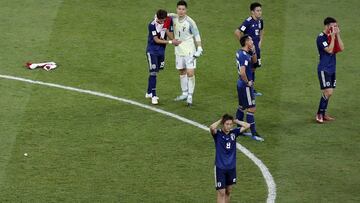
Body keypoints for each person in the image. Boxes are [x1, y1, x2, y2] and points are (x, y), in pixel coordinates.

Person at [210, 114, 250, 203]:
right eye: (226, 124)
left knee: (228, 191)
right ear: (223, 124)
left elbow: (247, 125)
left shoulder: (234, 133)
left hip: (231, 167)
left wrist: (236, 121)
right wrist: (220, 120)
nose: (228, 126)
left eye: (230, 124)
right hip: (220, 167)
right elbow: (212, 127)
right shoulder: (217, 134)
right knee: (221, 192)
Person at [171, 0, 203, 106]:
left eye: (183, 9)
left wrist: (199, 48)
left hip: (189, 50)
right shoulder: (172, 17)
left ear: (186, 10)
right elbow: (159, 16)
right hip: (178, 50)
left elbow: (197, 35)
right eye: (179, 9)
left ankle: (190, 96)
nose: (181, 11)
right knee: (181, 71)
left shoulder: (190, 22)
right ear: (177, 9)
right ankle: (184, 93)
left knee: (190, 72)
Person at [145, 9, 181, 105]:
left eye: (164, 20)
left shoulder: (166, 20)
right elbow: (156, 40)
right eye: (161, 20)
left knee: (156, 71)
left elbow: (167, 31)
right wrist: (170, 42)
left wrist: (174, 40)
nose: (163, 22)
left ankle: (148, 92)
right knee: (153, 72)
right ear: (158, 18)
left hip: (161, 51)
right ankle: (154, 96)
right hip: (152, 51)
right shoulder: (152, 25)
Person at [235, 34, 264, 141]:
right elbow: (243, 72)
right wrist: (248, 82)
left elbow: (255, 62)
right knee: (251, 108)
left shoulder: (243, 52)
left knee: (242, 106)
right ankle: (254, 133)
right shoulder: (244, 55)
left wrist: (254, 51)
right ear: (246, 42)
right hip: (245, 85)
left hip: (240, 83)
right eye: (251, 40)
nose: (252, 41)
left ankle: (240, 129)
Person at [315, 17, 344, 123]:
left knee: (327, 92)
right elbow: (330, 50)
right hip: (324, 68)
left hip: (332, 68)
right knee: (329, 91)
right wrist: (332, 37)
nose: (336, 28)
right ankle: (319, 114)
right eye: (334, 26)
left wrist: (337, 35)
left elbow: (341, 48)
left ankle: (323, 113)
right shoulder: (321, 38)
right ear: (327, 26)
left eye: (337, 26)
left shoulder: (333, 36)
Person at [235, 2, 264, 96]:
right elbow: (237, 32)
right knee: (248, 69)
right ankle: (247, 88)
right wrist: (244, 44)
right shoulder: (248, 22)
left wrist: (260, 42)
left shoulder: (260, 21)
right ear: (252, 12)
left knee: (253, 68)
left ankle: (251, 88)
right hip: (249, 50)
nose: (260, 12)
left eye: (260, 10)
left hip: (256, 50)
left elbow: (261, 30)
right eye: (257, 11)